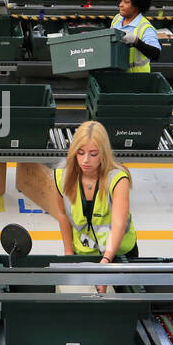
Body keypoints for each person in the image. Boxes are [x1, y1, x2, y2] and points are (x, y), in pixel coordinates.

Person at [53, 121, 139, 289]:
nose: (85, 160)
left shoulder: (118, 179)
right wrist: (69, 255)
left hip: (119, 253)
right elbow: (62, 214)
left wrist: (105, 263)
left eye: (93, 154)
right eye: (81, 152)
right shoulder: (61, 177)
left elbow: (118, 224)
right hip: (84, 253)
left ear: (104, 154)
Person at [112, 0, 161, 72]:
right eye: (121, 1)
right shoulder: (117, 19)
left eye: (126, 2)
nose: (121, 5)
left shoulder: (145, 28)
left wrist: (136, 41)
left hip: (137, 79)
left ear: (136, 6)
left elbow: (156, 54)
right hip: (117, 75)